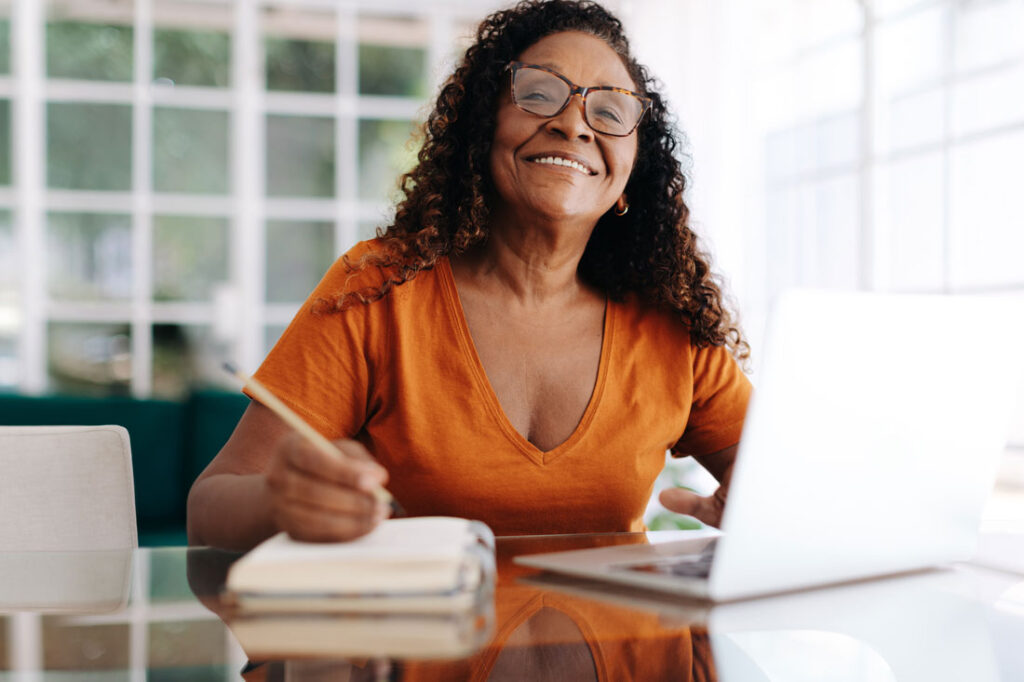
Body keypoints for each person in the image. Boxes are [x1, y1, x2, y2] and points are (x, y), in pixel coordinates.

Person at [187, 0, 752, 551]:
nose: (573, 125)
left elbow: (796, 491)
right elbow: (209, 507)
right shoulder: (378, 289)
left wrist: (759, 508)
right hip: (423, 640)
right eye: (538, 95)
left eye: (608, 112)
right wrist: (281, 502)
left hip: (620, 644)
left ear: (632, 170)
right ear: (483, 128)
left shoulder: (672, 326)